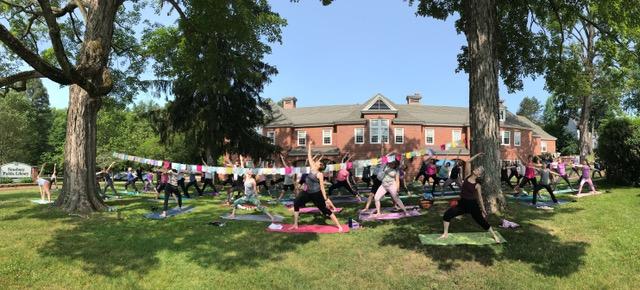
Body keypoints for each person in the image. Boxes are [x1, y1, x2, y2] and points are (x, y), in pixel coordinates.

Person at [439, 152, 501, 243]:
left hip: (472, 205)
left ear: (479, 175)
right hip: (462, 204)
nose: (476, 169)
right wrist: (477, 155)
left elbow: (480, 198)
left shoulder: (477, 185)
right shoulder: (467, 176)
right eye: (477, 168)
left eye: (479, 170)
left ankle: (494, 235)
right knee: (447, 215)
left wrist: (483, 210)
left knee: (482, 222)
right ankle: (445, 234)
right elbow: (468, 162)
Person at [292, 141, 343, 232]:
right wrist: (310, 145)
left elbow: (322, 187)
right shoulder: (312, 168)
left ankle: (339, 226)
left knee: (325, 210)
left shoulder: (320, 174)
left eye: (319, 162)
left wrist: (325, 199)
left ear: (320, 166)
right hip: (307, 192)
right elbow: (309, 156)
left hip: (316, 194)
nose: (317, 161)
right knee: (296, 203)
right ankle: (295, 224)